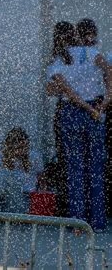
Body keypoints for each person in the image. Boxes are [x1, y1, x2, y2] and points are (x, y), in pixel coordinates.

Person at [47, 18, 109, 232]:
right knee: (96, 168)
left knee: (75, 169)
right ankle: (98, 223)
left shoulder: (57, 61)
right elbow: (109, 71)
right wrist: (106, 99)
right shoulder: (93, 54)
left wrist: (86, 106)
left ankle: (77, 223)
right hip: (95, 110)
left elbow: (60, 91)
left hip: (72, 113)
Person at [45, 21, 77, 216]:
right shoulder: (82, 57)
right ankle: (80, 208)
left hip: (64, 109)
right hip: (83, 109)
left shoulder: (57, 59)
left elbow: (50, 90)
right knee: (80, 161)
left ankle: (67, 207)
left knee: (66, 159)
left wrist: (64, 88)